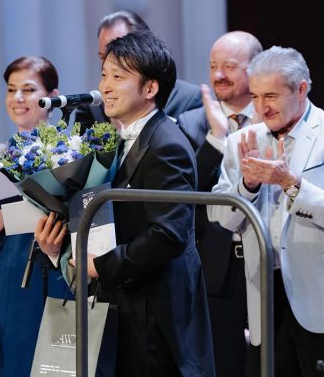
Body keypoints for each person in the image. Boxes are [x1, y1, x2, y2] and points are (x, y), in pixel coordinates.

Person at [36, 30, 215, 376]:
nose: (105, 86)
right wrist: (60, 249)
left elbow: (168, 235)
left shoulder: (166, 145)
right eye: (104, 74)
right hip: (122, 309)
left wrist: (102, 266)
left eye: (118, 77)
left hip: (154, 317)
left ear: (150, 88)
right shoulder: (116, 139)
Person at [208, 46, 324, 377]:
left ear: (301, 89)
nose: (261, 107)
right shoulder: (241, 141)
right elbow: (221, 220)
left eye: (271, 96)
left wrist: (290, 183)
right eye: (255, 96)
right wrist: (248, 185)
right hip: (265, 296)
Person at [0, 56, 70, 377]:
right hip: (9, 271)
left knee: (57, 364)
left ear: (52, 96)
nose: (18, 98)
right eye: (11, 90)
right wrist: (12, 191)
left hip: (59, 266)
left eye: (28, 89)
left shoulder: (71, 152)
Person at [177, 31, 262, 377]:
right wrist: (217, 138)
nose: (218, 75)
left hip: (270, 260)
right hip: (215, 265)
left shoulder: (274, 116)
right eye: (213, 66)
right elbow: (186, 189)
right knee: (223, 363)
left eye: (229, 66)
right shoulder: (190, 123)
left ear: (255, 68)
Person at [72, 10, 202, 130]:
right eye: (103, 56)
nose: (109, 61)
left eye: (120, 53)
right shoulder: (91, 106)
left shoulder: (189, 99)